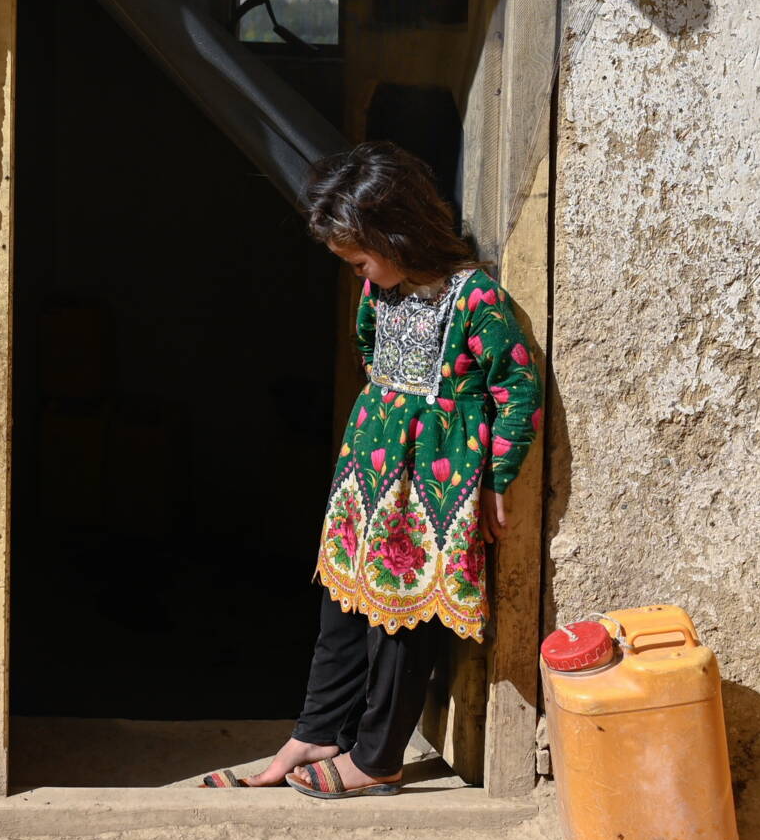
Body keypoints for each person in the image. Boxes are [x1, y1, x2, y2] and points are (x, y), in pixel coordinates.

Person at [202, 141, 544, 799]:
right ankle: (318, 729)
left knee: (400, 616)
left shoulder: (474, 299)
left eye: (360, 257)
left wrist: (497, 478)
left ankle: (378, 755)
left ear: (400, 233)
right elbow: (369, 346)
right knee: (341, 605)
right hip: (369, 476)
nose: (356, 270)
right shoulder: (378, 291)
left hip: (430, 488)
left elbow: (516, 392)